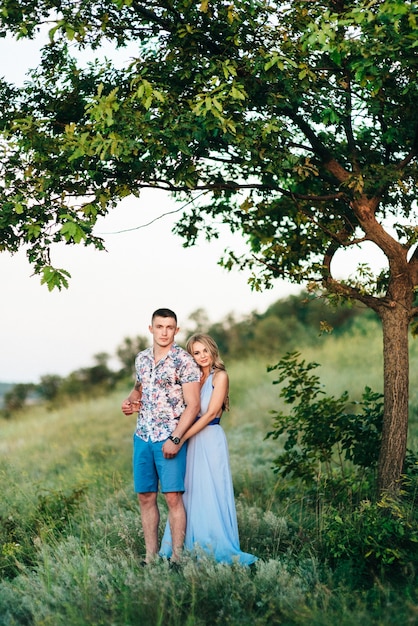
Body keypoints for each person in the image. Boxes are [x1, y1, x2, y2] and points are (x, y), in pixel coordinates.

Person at [160, 333, 257, 566]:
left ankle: (215, 545)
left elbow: (211, 413)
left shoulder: (219, 376)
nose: (202, 356)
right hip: (191, 441)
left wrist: (180, 438)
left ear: (212, 351)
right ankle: (187, 546)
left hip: (209, 439)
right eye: (196, 352)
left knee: (212, 490)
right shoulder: (193, 379)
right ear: (191, 355)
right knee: (191, 491)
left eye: (205, 351)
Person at [121, 308, 201, 565]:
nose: (164, 332)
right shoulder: (141, 359)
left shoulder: (184, 361)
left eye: (169, 327)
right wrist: (130, 401)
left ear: (176, 330)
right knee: (145, 497)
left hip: (168, 437)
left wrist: (176, 438)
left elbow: (194, 405)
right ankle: (150, 557)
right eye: (160, 327)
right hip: (142, 436)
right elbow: (139, 388)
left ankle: (177, 558)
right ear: (151, 328)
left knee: (172, 497)